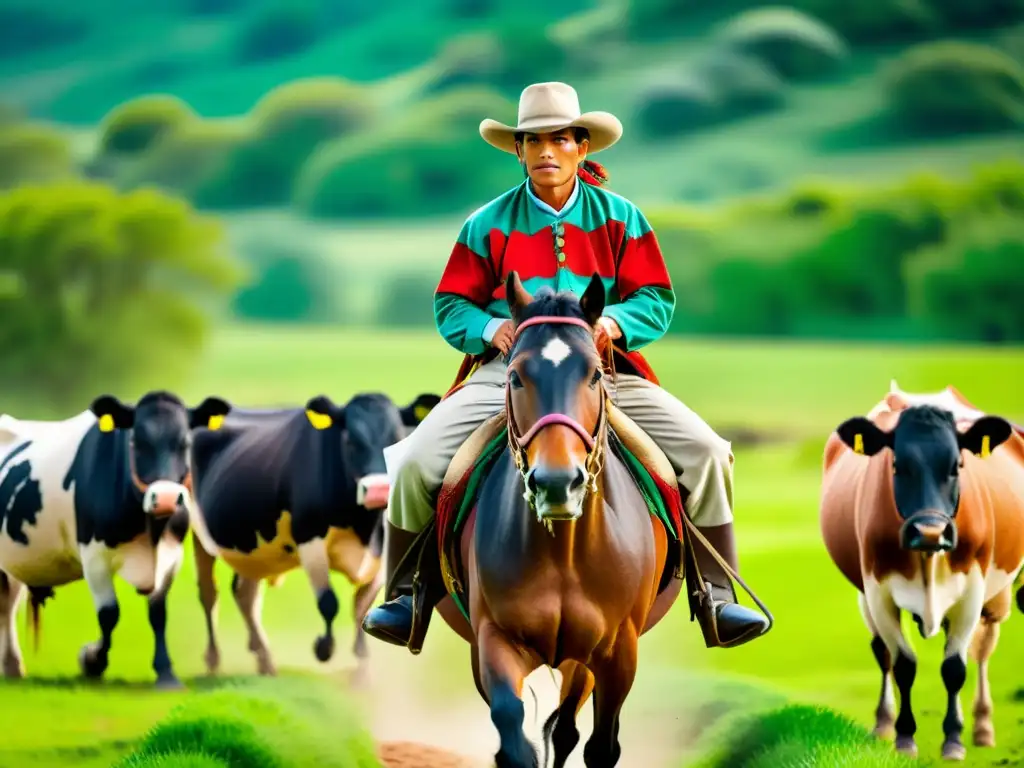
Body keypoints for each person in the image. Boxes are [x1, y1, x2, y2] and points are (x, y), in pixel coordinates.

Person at [363, 81, 769, 651]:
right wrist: (490, 329)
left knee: (707, 453)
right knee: (413, 463)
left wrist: (612, 325)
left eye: (560, 139)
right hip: (512, 376)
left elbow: (655, 296)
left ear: (582, 146)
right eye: (534, 141)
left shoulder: (622, 218)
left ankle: (717, 599)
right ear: (520, 150)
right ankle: (405, 598)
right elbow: (450, 303)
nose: (547, 151)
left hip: (604, 374)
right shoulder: (485, 223)